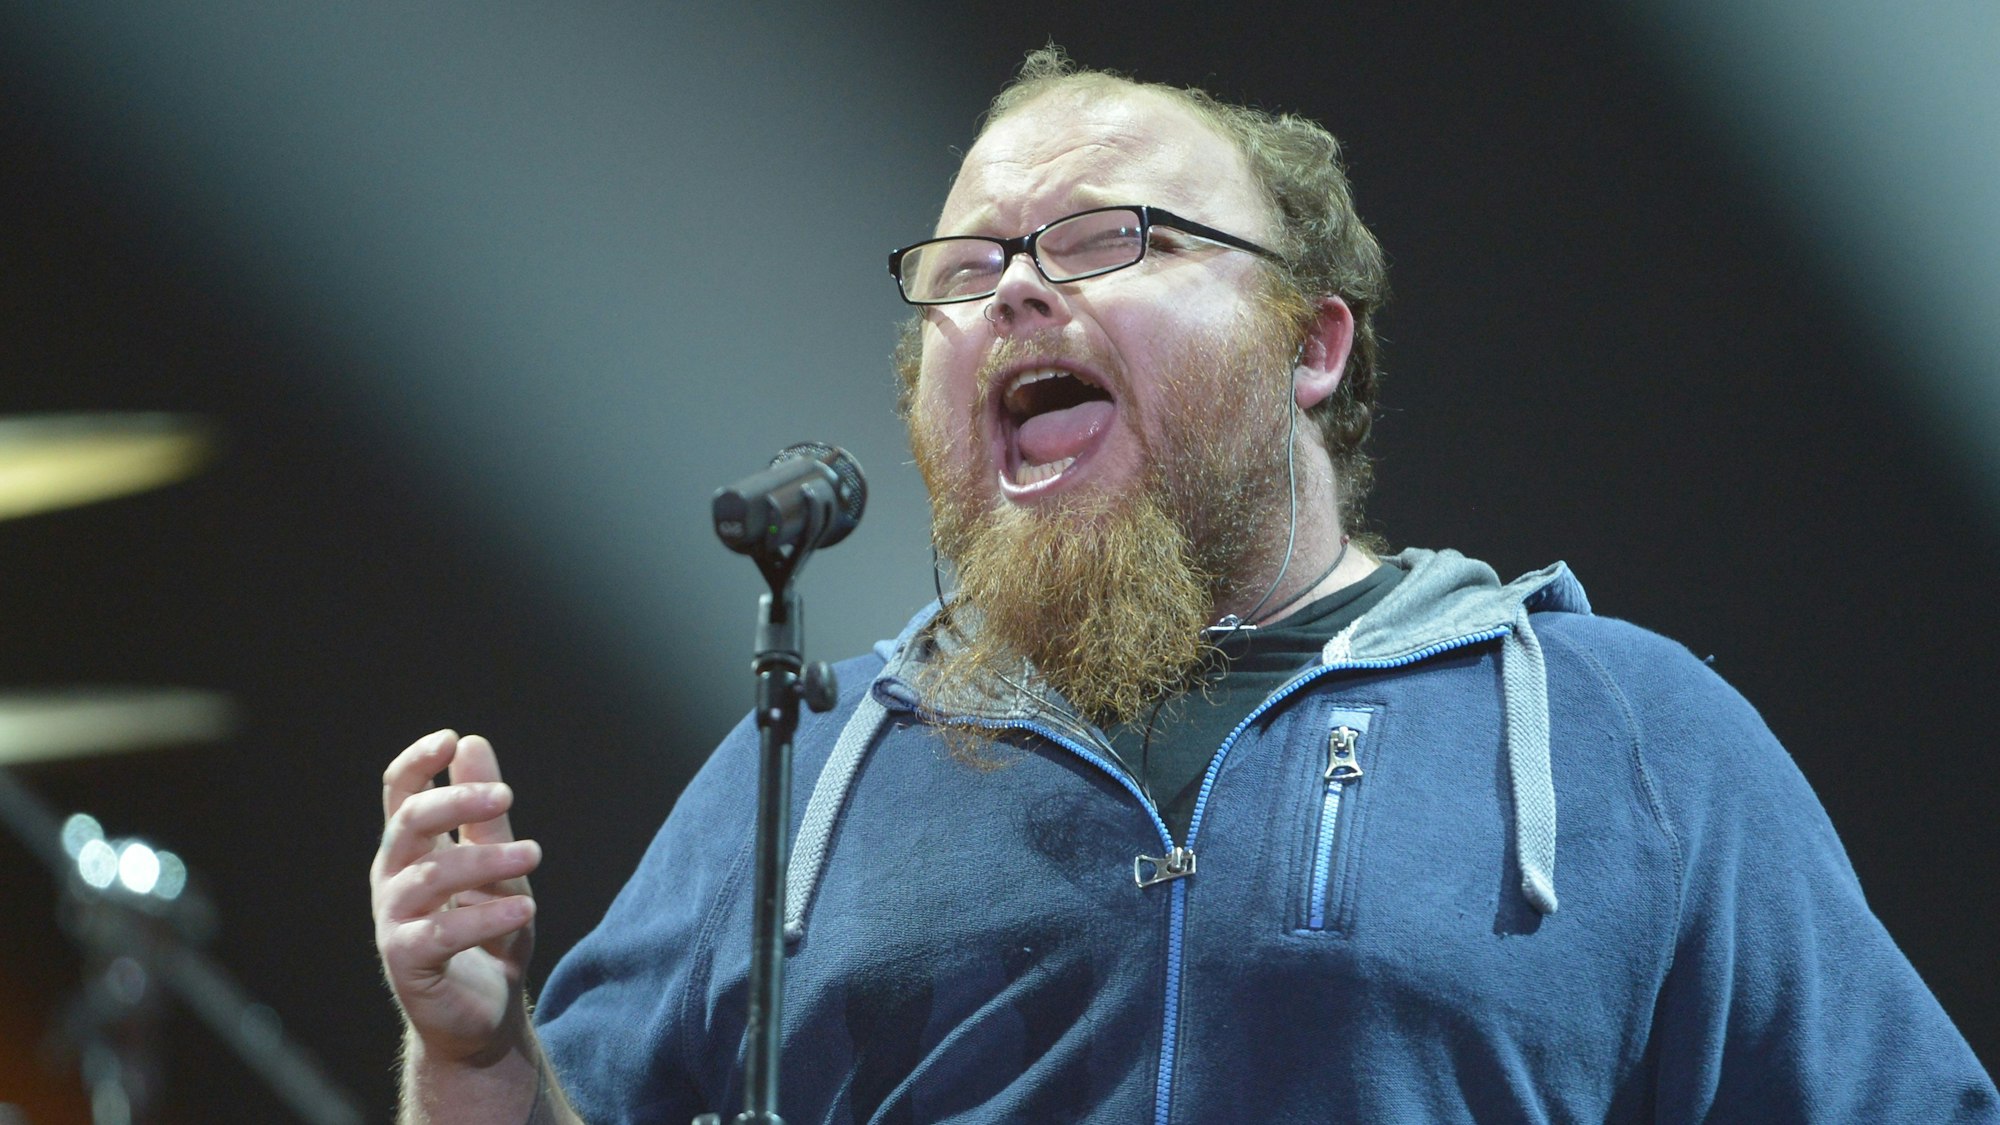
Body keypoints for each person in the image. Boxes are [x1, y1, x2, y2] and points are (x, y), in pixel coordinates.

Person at [371, 49, 1999, 1123]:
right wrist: (471, 1047)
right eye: (964, 267)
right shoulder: (808, 775)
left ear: (1313, 340)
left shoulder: (1618, 737)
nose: (1011, 288)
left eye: (1100, 239)